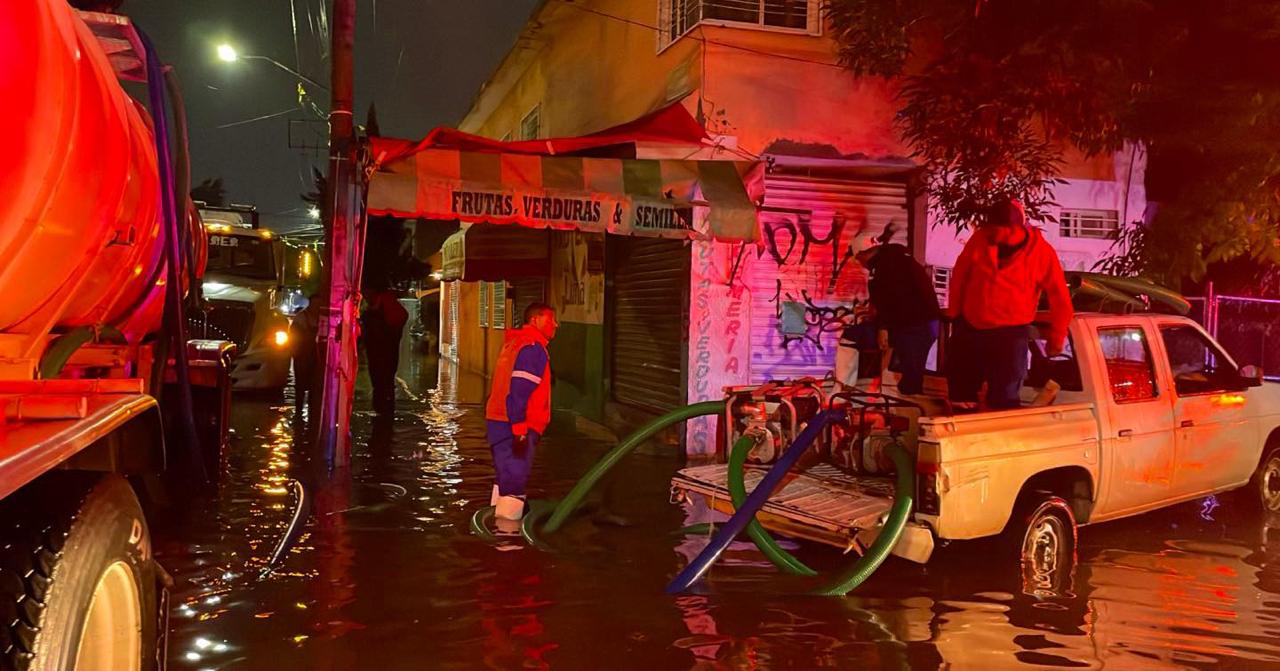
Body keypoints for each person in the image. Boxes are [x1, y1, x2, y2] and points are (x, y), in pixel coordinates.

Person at [946, 198, 1073, 410]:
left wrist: (1057, 336)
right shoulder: (981, 239)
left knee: (1003, 397)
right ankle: (961, 424)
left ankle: (999, 427)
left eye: (996, 228)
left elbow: (1060, 297)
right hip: (970, 327)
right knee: (961, 393)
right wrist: (955, 314)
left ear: (1015, 228)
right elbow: (960, 275)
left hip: (1010, 334)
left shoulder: (1041, 252)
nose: (991, 232)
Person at [485, 303, 558, 527]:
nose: (555, 325)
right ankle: (508, 538)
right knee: (515, 479)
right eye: (550, 319)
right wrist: (520, 430)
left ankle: (492, 527)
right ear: (535, 320)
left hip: (497, 420)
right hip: (517, 424)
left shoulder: (514, 343)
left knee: (504, 477)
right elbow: (519, 390)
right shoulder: (533, 348)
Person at [856, 240, 941, 395]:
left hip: (913, 323)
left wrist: (883, 327)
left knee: (911, 370)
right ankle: (909, 396)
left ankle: (910, 402)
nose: (860, 264)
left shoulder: (885, 266)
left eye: (858, 259)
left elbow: (891, 299)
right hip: (925, 321)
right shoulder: (900, 259)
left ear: (864, 253)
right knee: (913, 369)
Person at [361, 282, 409, 416]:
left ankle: (382, 410)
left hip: (381, 351)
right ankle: (385, 410)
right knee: (385, 380)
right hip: (386, 351)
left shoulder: (378, 311)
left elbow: (373, 331)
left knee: (381, 380)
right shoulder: (383, 308)